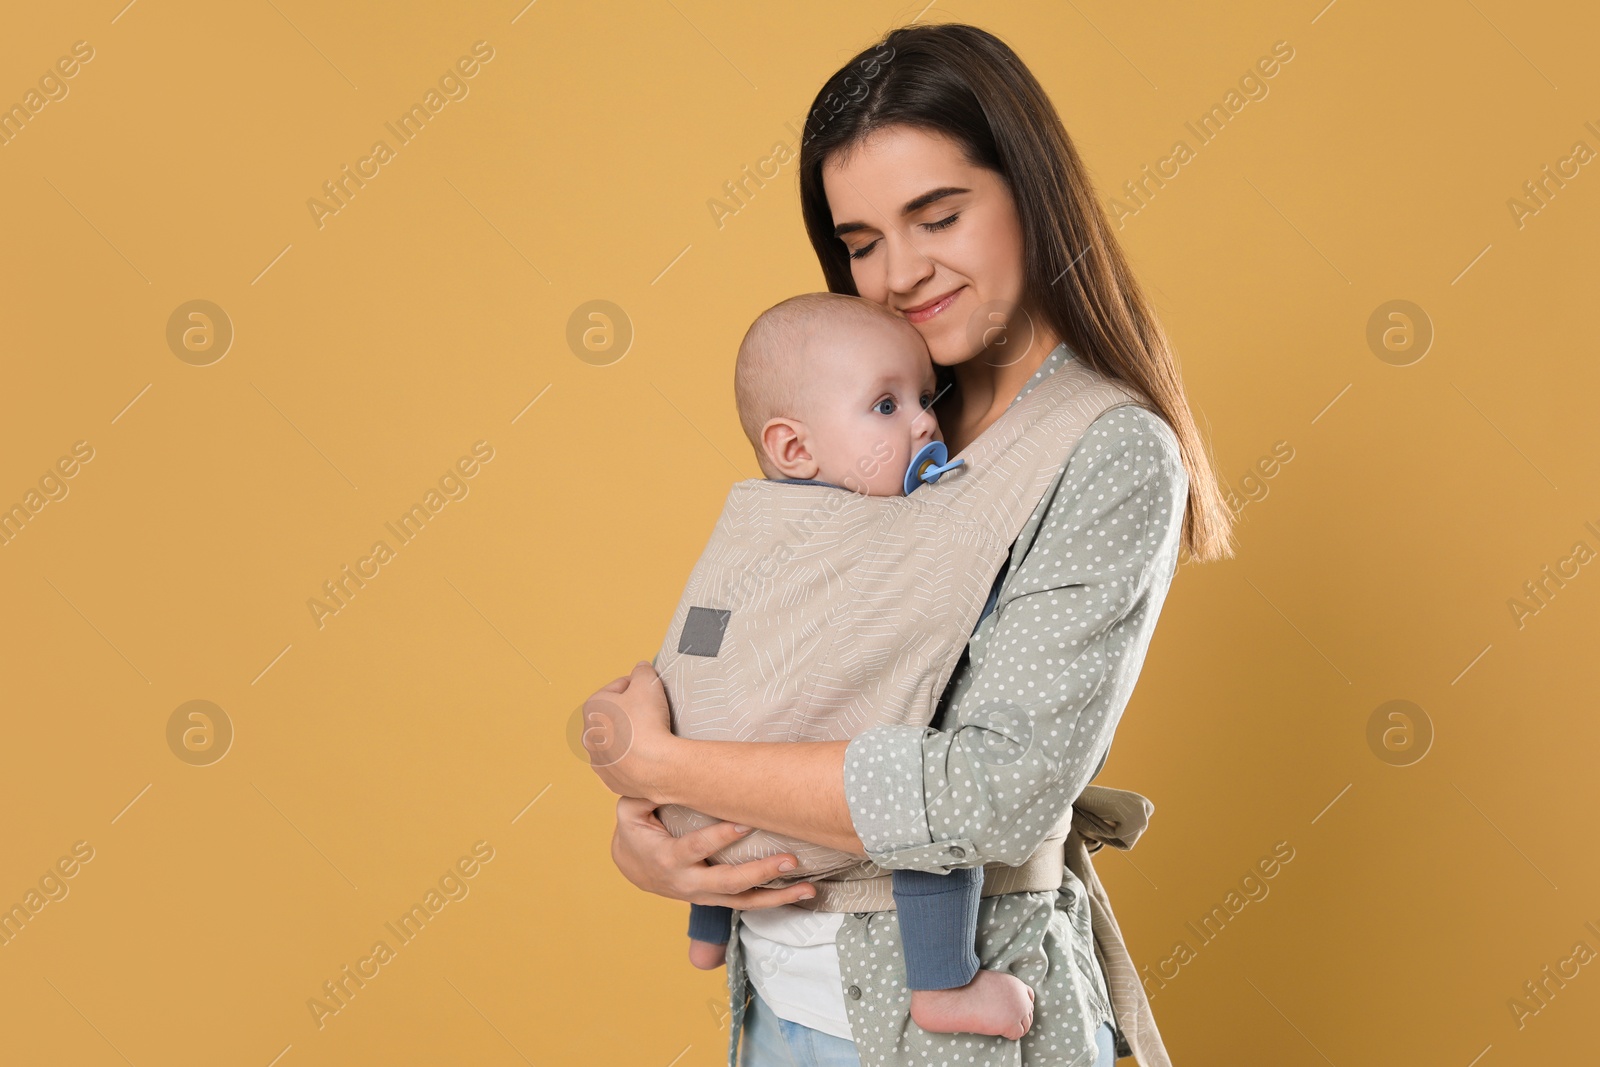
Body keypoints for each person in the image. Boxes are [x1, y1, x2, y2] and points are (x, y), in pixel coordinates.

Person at [584, 22, 1235, 1067]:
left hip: (955, 1033)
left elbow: (993, 792)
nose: (899, 272)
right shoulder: (868, 416)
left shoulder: (1104, 450)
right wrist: (657, 832)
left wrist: (665, 759)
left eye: (937, 215)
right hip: (783, 999)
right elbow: (774, 665)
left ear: (1028, 189)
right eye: (860, 241)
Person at [681, 290, 1037, 1041]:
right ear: (795, 449)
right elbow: (950, 599)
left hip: (696, 814)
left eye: (922, 397)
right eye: (885, 405)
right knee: (923, 801)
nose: (924, 422)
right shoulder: (881, 532)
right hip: (787, 818)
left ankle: (705, 930)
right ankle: (942, 985)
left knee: (716, 722)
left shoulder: (750, 526)